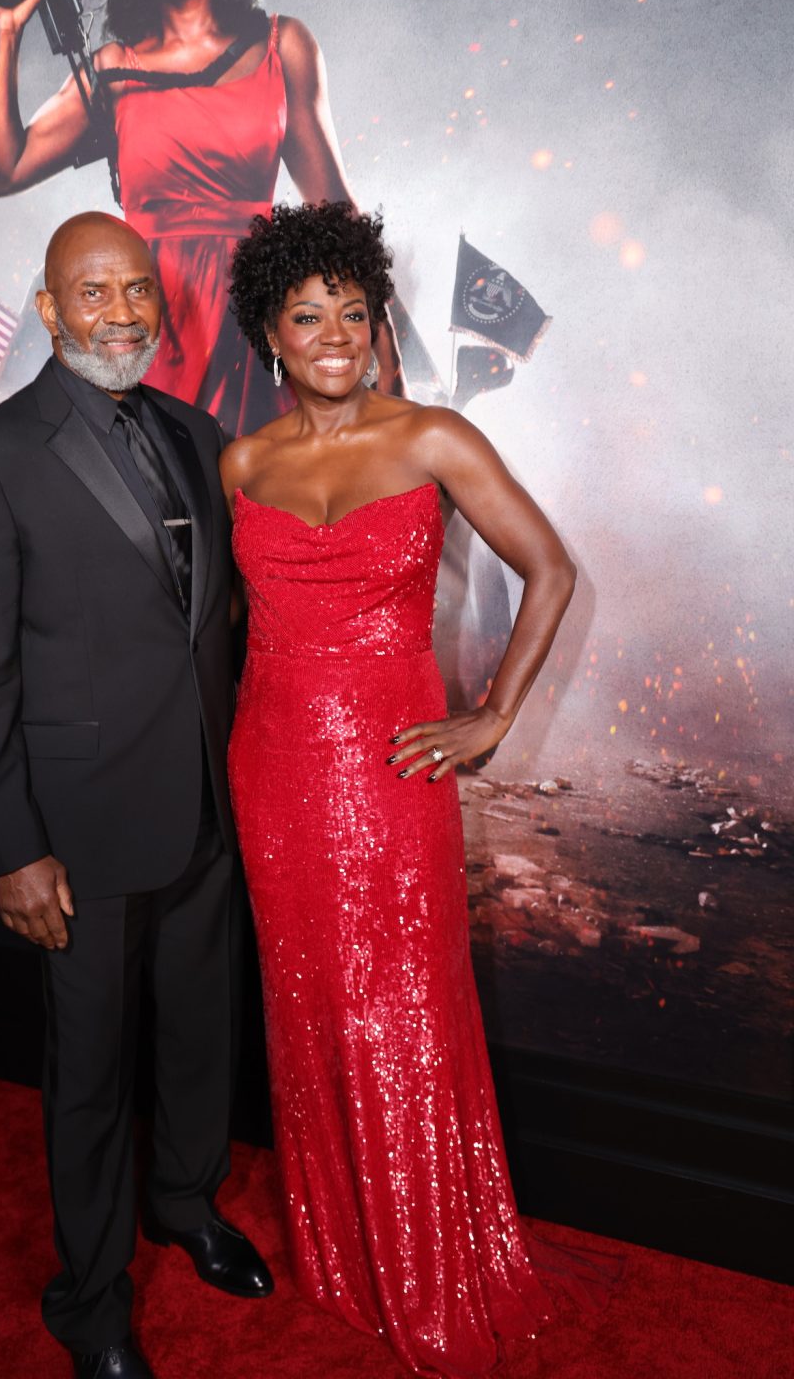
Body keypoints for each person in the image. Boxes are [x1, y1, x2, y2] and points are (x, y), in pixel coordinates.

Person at [221, 201, 616, 1376]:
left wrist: (491, 716)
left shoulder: (435, 437)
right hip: (273, 771)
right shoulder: (243, 462)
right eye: (307, 315)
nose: (334, 333)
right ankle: (342, 1247)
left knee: (403, 1006)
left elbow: (551, 569)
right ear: (270, 336)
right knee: (305, 1007)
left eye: (353, 311)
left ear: (377, 323)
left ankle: (427, 1252)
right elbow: (239, 626)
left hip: (393, 773)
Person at [0, 211, 272, 1379]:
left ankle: (185, 1203)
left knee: (200, 1036)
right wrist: (12, 850)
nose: (119, 313)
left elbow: (210, 623)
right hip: (75, 835)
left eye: (135, 291)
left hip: (204, 810)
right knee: (90, 1075)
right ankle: (90, 1300)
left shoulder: (194, 431)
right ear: (47, 307)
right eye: (92, 292)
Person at [0, 0, 407, 429]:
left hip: (257, 328)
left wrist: (386, 344)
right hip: (150, 332)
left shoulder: (283, 47)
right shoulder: (113, 69)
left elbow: (337, 214)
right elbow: (9, 168)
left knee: (265, 482)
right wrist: (9, 34)